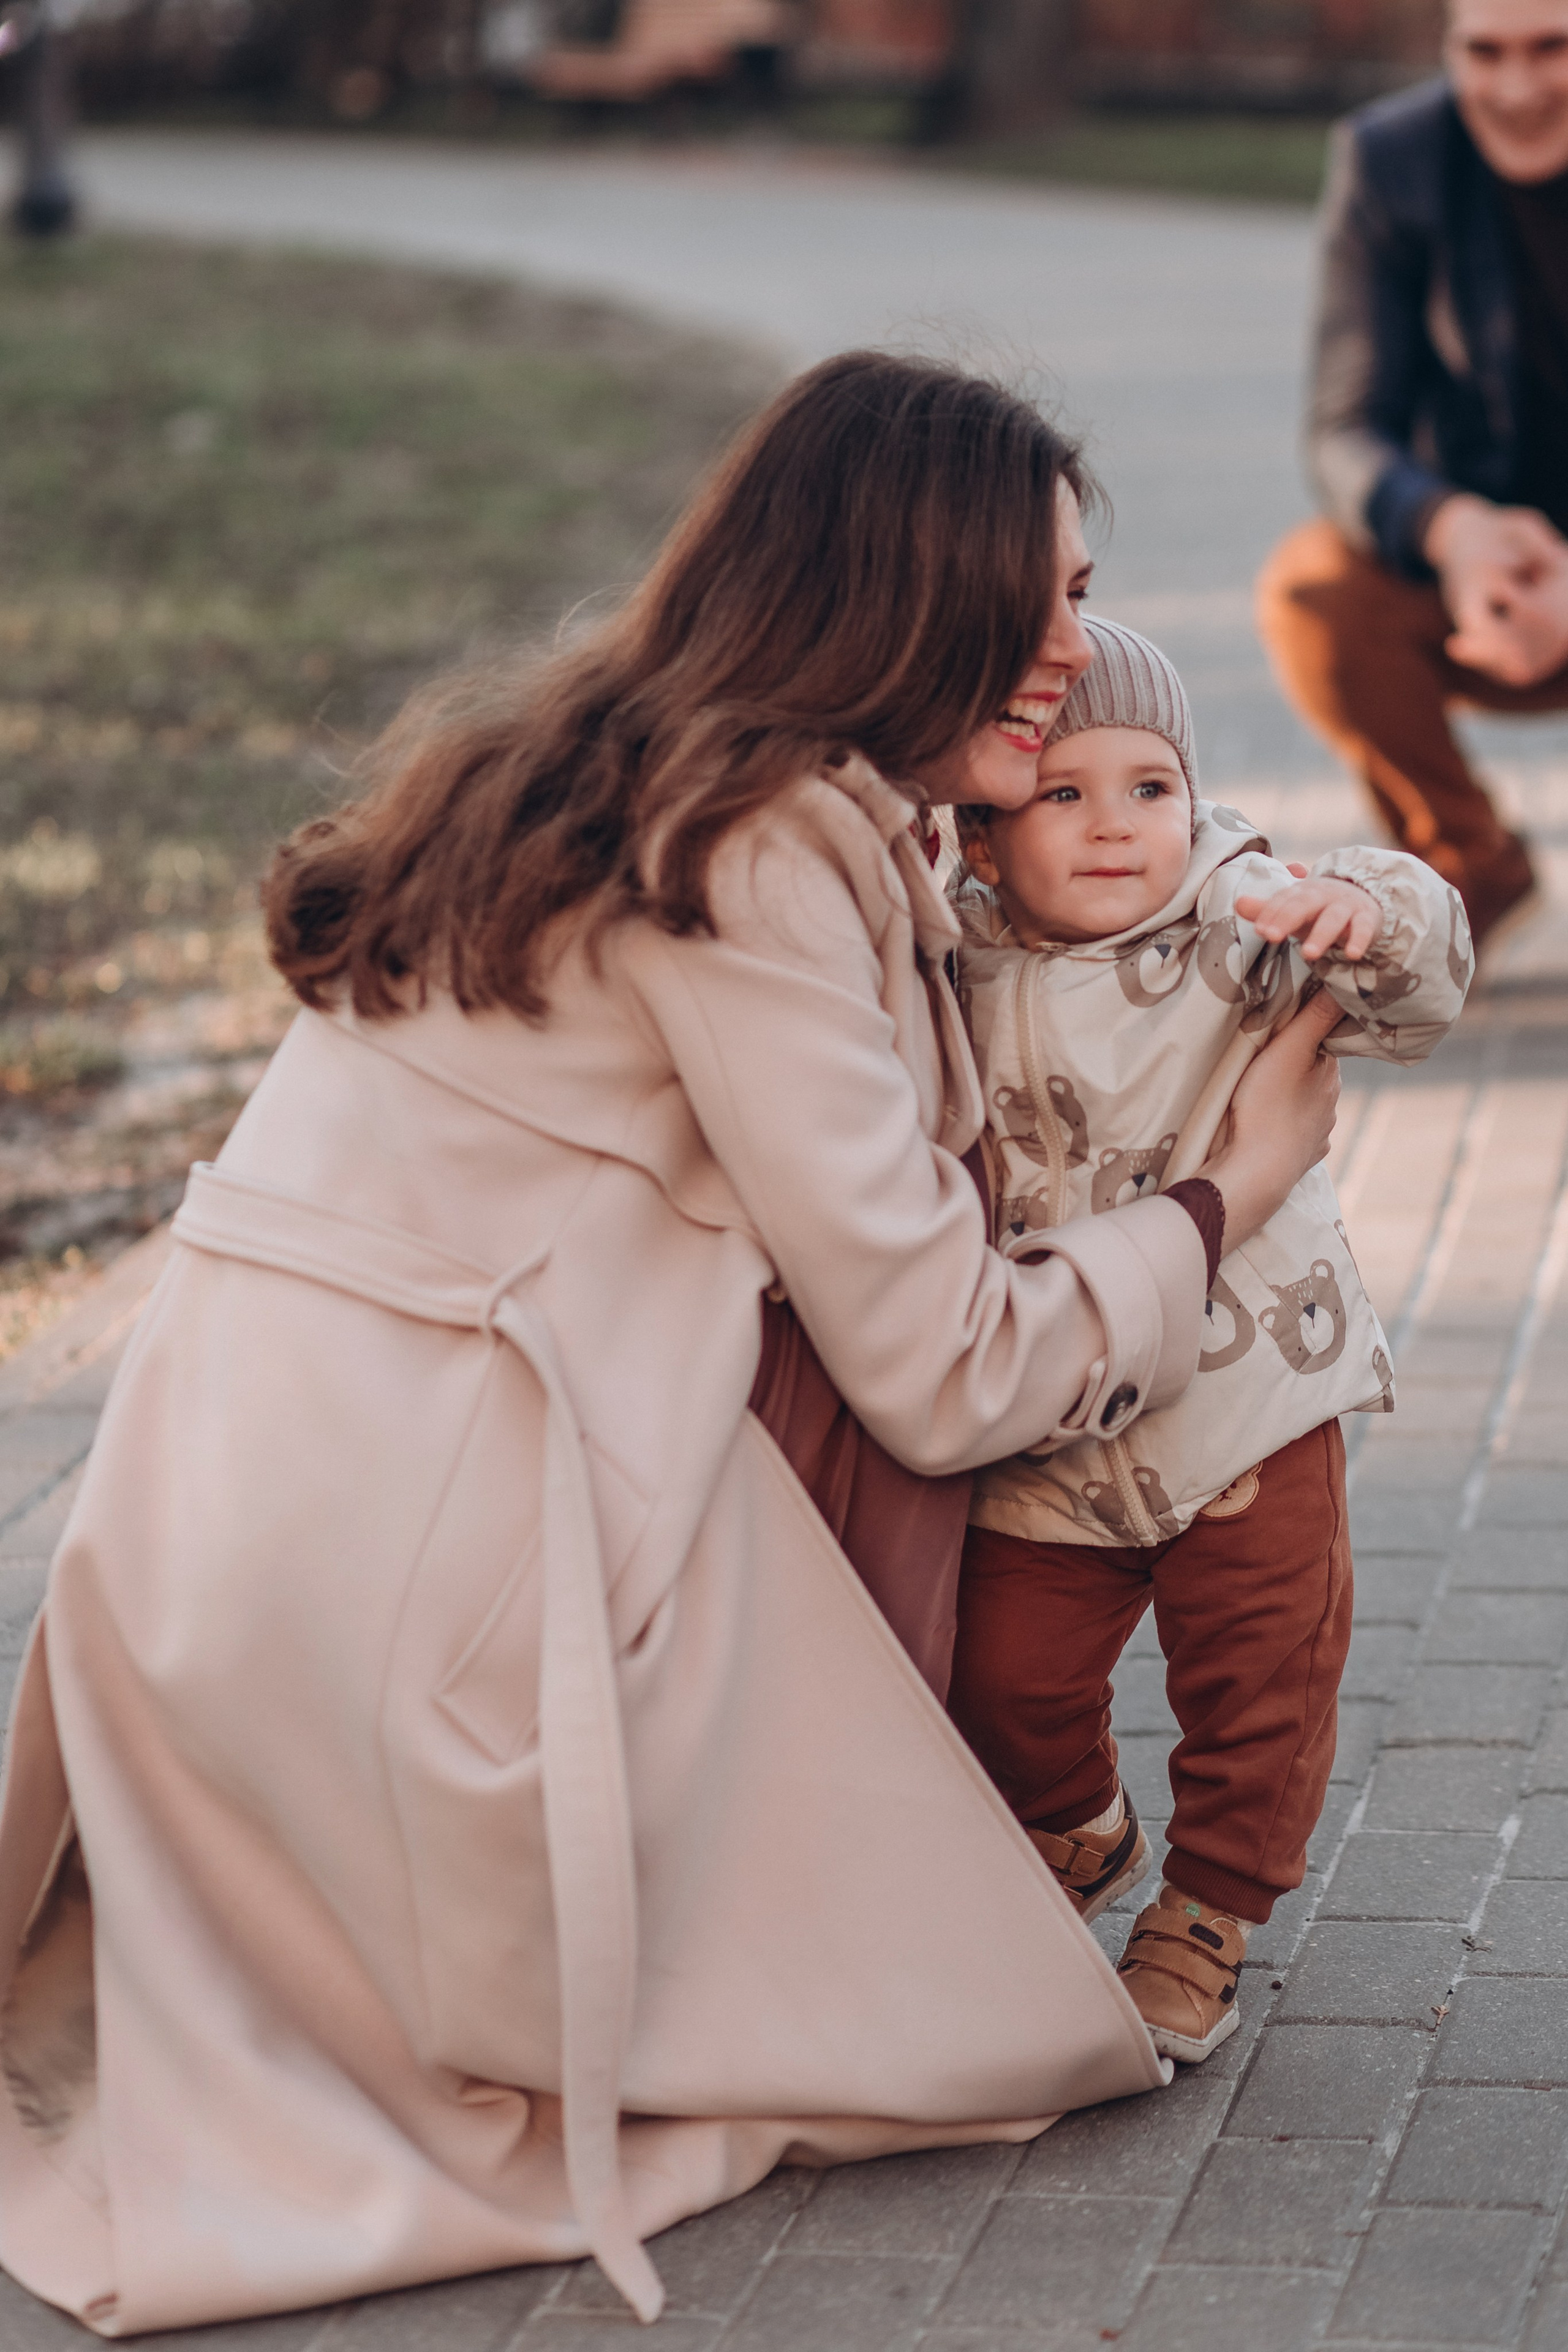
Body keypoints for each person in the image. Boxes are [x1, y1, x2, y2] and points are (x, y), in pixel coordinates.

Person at [0, 356, 1341, 2339]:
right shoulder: (757, 845)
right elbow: (946, 1368)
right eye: (1042, 597)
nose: (1078, 650)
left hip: (219, 1510)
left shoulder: (627, 755)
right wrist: (1222, 1196)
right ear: (910, 594)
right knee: (964, 2026)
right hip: (395, 1584)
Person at [946, 619, 1468, 2065]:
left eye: (1149, 786)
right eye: (1063, 795)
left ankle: (1206, 1912)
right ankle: (1076, 1824)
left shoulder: (1245, 924)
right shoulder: (946, 957)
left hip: (1243, 1398)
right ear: (981, 842)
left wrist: (1374, 915)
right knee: (997, 1677)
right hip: (1047, 1409)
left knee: (1260, 1676)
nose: (1117, 826)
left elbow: (1413, 994)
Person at [1256, 0, 1568, 951]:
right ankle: (1469, 867)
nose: (1516, 89)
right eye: (1485, 52)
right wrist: (1453, 531)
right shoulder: (1392, 157)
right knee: (1313, 593)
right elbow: (1343, 427)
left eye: (1553, 48)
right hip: (1476, 577)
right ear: (1448, 46)